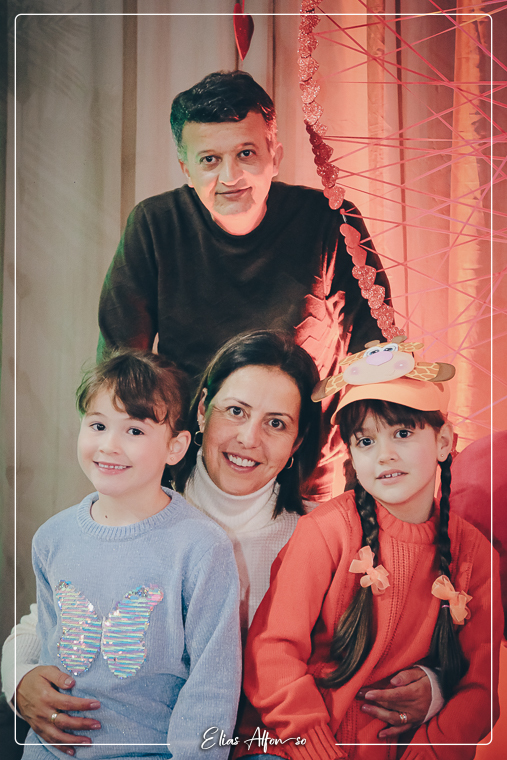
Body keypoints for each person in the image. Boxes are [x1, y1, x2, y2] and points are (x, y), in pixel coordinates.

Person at [3, 332, 435, 755]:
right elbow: (58, 616)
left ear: (298, 441)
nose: (249, 438)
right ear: (202, 410)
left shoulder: (323, 535)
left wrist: (433, 686)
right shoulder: (139, 505)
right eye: (235, 411)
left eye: (276, 423)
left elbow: (389, 637)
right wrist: (19, 678)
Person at [97, 69, 392, 501]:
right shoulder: (155, 225)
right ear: (186, 169)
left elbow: (376, 349)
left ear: (275, 155)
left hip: (307, 473)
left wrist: (375, 471)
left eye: (246, 153)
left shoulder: (330, 219)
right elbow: (124, 367)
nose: (230, 175)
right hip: (191, 472)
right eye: (210, 160)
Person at [241, 337, 502, 760]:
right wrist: (316, 750)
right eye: (365, 441)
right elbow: (272, 652)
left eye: (403, 433)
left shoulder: (475, 555)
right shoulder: (325, 531)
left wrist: (431, 750)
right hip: (293, 748)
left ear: (443, 442)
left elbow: (480, 693)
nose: (385, 455)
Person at [20, 351, 241, 759]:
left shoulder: (202, 547)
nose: (109, 445)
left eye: (135, 430)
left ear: (175, 447)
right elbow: (50, 652)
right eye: (98, 425)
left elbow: (212, 683)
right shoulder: (52, 537)